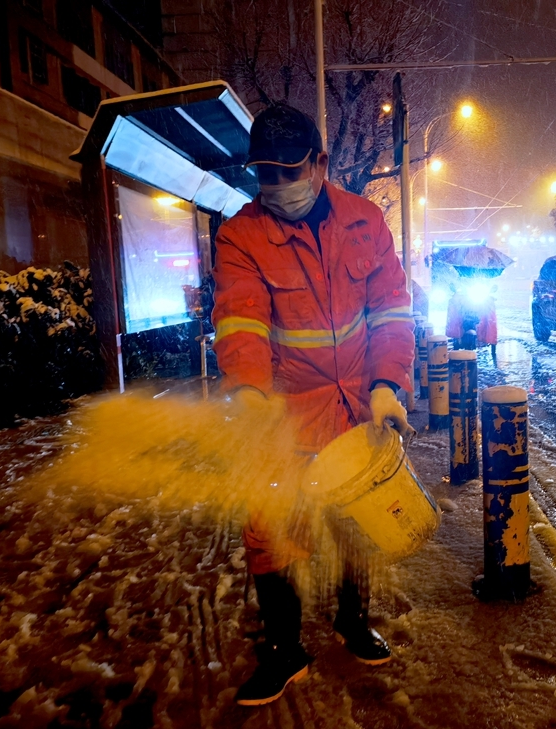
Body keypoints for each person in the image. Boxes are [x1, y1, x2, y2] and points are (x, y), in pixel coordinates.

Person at [211, 104, 415, 706]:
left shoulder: (364, 222)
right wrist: (248, 391)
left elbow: (392, 309)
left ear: (320, 163)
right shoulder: (241, 235)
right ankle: (283, 648)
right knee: (271, 531)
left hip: (356, 405)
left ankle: (352, 623)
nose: (275, 186)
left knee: (356, 522)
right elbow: (241, 318)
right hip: (284, 411)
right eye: (263, 174)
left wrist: (388, 384)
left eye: (288, 171)